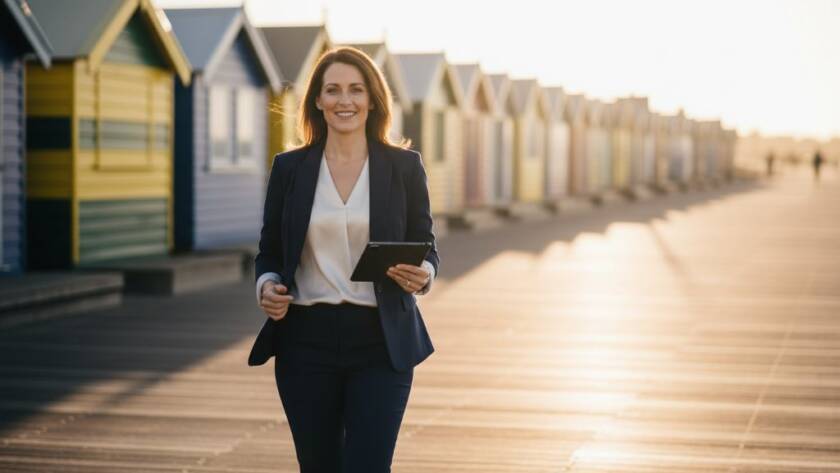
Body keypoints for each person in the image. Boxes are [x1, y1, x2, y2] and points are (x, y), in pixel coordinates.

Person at [247, 47, 440, 472]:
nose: (344, 100)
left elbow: (426, 245)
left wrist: (421, 275)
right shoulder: (289, 168)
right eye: (332, 90)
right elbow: (270, 251)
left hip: (380, 342)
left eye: (356, 90)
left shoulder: (403, 167)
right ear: (317, 100)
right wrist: (267, 287)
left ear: (373, 99)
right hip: (304, 342)